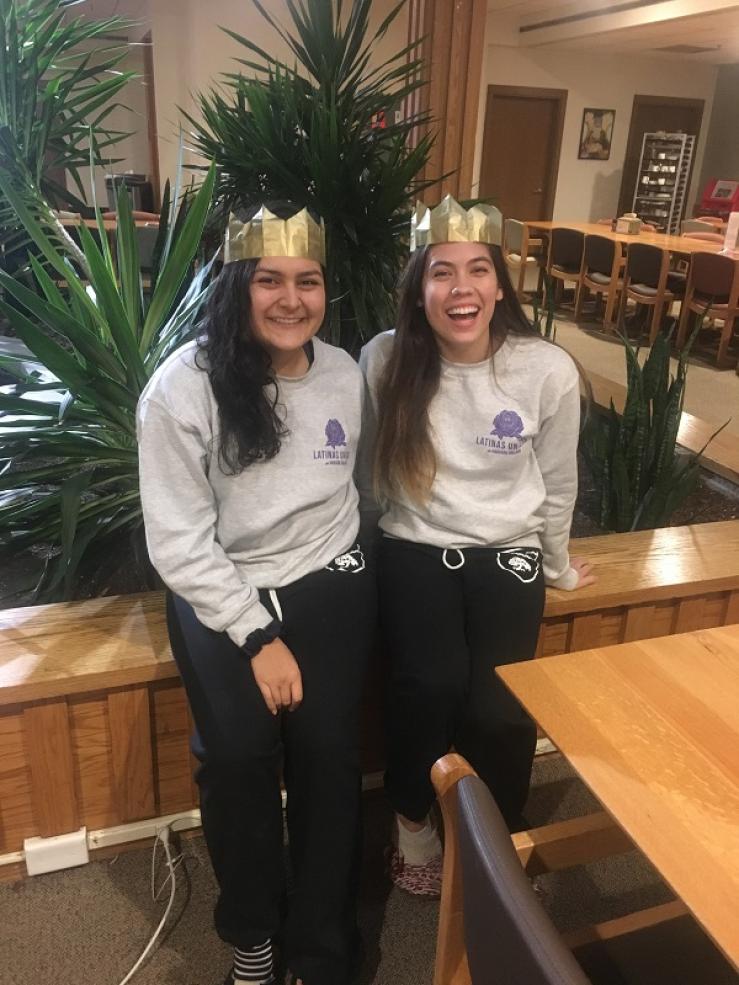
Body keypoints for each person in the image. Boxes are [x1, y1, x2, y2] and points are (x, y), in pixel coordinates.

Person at [137, 203, 374, 985]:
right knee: (237, 758)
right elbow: (178, 540)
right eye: (268, 279)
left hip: (328, 578)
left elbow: (357, 483)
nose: (290, 298)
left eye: (307, 281)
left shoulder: (342, 372)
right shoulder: (182, 389)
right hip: (223, 590)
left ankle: (319, 941)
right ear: (235, 286)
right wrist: (255, 634)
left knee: (329, 757)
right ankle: (252, 933)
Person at [359, 196, 595, 898]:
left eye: (477, 270)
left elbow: (556, 479)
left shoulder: (544, 368)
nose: (460, 288)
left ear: (500, 284)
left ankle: (495, 829)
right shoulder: (384, 359)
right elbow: (369, 474)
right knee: (425, 686)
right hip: (413, 546)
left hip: (508, 552)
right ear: (418, 288)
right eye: (441, 272)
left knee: (498, 706)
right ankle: (411, 819)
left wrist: (554, 564)